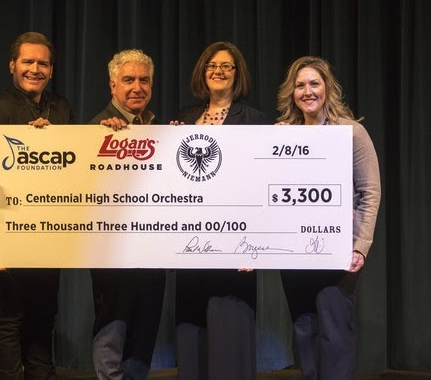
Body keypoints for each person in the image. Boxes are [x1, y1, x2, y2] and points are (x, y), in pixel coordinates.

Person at [0, 32, 74, 379]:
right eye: (28, 62)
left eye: (43, 63)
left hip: (50, 234)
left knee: (44, 317)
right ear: (12, 66)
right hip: (10, 231)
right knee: (9, 317)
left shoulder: (61, 108)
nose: (35, 68)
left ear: (51, 68)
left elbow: (70, 169)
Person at [276, 56, 381, 380]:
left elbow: (370, 192)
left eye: (314, 84)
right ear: (292, 93)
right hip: (295, 255)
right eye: (300, 85)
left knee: (335, 337)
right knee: (305, 335)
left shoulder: (351, 132)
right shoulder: (284, 136)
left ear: (327, 88)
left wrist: (360, 247)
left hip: (338, 254)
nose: (307, 91)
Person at [171, 41, 270, 380]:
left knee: (229, 335)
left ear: (237, 74)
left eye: (227, 66)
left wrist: (253, 244)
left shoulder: (254, 120)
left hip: (234, 247)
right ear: (203, 72)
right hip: (190, 246)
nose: (218, 71)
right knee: (192, 334)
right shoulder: (184, 118)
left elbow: (261, 185)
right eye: (212, 65)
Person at [88, 49, 166, 380]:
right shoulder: (98, 128)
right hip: (113, 254)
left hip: (152, 252)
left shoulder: (156, 127)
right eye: (128, 80)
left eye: (144, 80)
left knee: (144, 332)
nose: (137, 87)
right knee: (113, 332)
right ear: (112, 85)